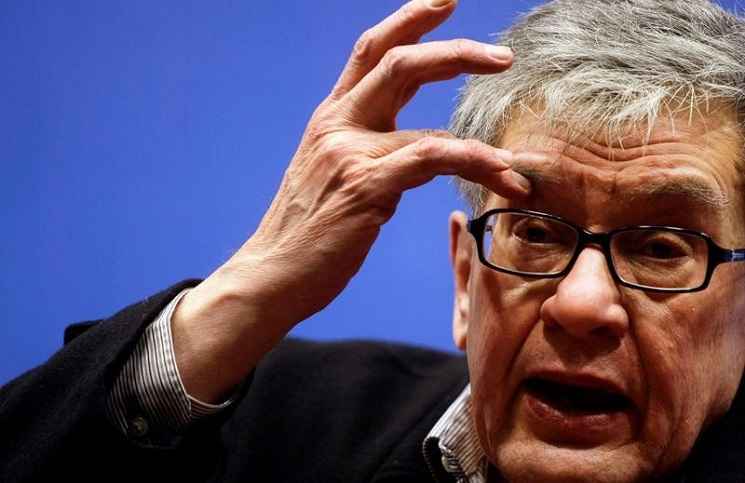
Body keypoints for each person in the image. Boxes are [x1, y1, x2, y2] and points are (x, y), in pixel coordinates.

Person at [3, 0, 745, 481]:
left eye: (661, 247)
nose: (581, 305)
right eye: (535, 231)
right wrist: (249, 289)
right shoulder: (280, 430)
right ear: (465, 280)